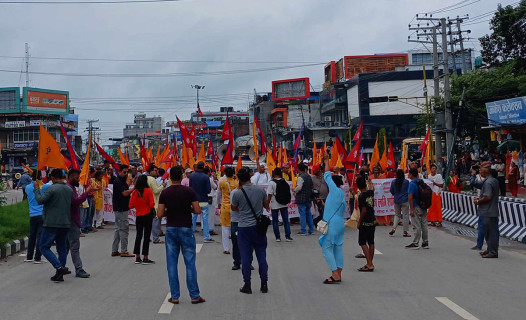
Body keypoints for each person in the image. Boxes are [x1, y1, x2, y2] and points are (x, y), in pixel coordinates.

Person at [157, 165, 205, 305]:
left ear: (170, 177)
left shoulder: (165, 193)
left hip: (171, 228)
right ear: (182, 175)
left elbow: (159, 214)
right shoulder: (189, 191)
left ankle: (175, 296)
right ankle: (195, 295)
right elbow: (197, 210)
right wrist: (186, 208)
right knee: (190, 263)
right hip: (186, 228)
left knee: (171, 264)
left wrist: (170, 211)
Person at [231, 167, 270, 294]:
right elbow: (266, 205)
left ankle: (247, 284)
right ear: (249, 176)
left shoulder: (237, 193)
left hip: (243, 227)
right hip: (258, 227)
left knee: (245, 257)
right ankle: (264, 284)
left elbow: (234, 208)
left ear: (239, 179)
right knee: (261, 256)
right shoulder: (260, 190)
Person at [33, 169, 73, 282]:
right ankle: (59, 273)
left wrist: (36, 189)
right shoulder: (69, 190)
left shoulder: (52, 189)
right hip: (65, 222)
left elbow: (40, 200)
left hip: (51, 222)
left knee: (43, 247)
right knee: (62, 248)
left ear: (53, 178)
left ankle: (59, 267)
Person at [318, 152, 346, 283]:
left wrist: (327, 160)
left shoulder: (334, 191)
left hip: (333, 224)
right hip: (340, 223)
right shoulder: (341, 194)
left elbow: (327, 175)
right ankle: (338, 272)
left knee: (327, 248)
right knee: (337, 247)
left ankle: (334, 273)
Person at [66, 169, 92, 278]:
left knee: (66, 246)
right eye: (77, 178)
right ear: (71, 177)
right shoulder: (69, 189)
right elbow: (75, 202)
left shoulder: (70, 188)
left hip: (70, 219)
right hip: (72, 220)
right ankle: (79, 268)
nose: (78, 180)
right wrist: (86, 192)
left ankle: (60, 266)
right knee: (74, 246)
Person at [474, 162, 500, 258]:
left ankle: (493, 252)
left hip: (488, 211)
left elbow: (488, 197)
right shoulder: (493, 180)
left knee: (490, 233)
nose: (479, 171)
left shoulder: (488, 182)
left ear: (486, 171)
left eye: (481, 170)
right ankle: (490, 249)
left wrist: (478, 201)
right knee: (489, 232)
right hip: (491, 211)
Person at [24, 170, 50, 263]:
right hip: (42, 214)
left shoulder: (27, 187)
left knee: (32, 236)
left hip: (32, 214)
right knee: (40, 236)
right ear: (41, 177)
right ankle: (37, 257)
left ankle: (29, 257)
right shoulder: (44, 187)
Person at [129, 174, 156, 264]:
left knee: (138, 236)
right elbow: (152, 204)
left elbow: (131, 205)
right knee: (146, 236)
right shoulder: (148, 191)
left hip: (138, 215)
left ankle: (137, 256)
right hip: (147, 215)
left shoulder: (135, 192)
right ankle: (145, 256)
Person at [111, 164, 135, 258]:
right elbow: (124, 193)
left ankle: (115, 250)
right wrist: (134, 189)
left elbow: (124, 189)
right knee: (124, 229)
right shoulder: (118, 181)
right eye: (124, 172)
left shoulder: (121, 181)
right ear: (119, 172)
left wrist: (130, 183)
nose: (126, 174)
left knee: (118, 229)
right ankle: (124, 251)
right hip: (121, 208)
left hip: (120, 208)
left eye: (127, 172)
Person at [189, 162, 213, 242]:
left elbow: (190, 188)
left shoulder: (192, 176)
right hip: (204, 200)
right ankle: (206, 236)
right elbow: (208, 190)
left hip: (194, 200)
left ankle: (191, 235)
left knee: (193, 218)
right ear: (203, 168)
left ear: (196, 167)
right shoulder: (206, 177)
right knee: (205, 219)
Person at [356, 176, 377, 272]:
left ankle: (370, 264)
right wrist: (370, 182)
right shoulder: (370, 193)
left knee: (362, 242)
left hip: (365, 222)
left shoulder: (361, 196)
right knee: (371, 241)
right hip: (372, 220)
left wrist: (359, 222)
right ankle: (369, 262)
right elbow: (372, 188)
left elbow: (363, 211)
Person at [405, 168, 429, 249]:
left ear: (411, 175)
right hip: (423, 206)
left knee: (417, 225)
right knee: (424, 224)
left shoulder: (412, 184)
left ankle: (415, 242)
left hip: (416, 206)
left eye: (409, 174)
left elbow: (410, 197)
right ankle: (425, 242)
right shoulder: (421, 181)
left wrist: (411, 209)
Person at [267, 167, 292, 242]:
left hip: (275, 204)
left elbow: (269, 194)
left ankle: (277, 237)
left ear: (274, 173)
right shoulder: (284, 182)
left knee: (275, 221)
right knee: (285, 220)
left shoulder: (272, 183)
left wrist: (267, 203)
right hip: (284, 204)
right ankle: (288, 236)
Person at [219, 167, 238, 255]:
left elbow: (219, 194)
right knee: (234, 227)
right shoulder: (236, 184)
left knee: (225, 228)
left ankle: (226, 248)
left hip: (224, 207)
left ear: (225, 173)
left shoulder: (222, 182)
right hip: (234, 207)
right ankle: (236, 245)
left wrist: (218, 204)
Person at [146, 165, 166, 244]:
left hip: (147, 202)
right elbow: (156, 191)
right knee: (155, 221)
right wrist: (162, 186)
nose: (157, 172)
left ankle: (147, 237)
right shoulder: (152, 179)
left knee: (148, 222)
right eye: (155, 170)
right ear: (150, 171)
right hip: (154, 202)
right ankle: (156, 238)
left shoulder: (146, 178)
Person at [389, 169, 411, 237]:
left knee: (397, 215)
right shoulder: (406, 182)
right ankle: (405, 232)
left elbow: (391, 191)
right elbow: (409, 190)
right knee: (405, 215)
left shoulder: (393, 182)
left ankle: (394, 228)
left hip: (396, 200)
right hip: (404, 200)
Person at [294, 163, 314, 235]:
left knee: (302, 214)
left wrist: (294, 189)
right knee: (308, 214)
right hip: (308, 197)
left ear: (298, 169)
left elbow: (299, 187)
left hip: (301, 198)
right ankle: (311, 230)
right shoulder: (308, 176)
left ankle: (303, 230)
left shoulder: (300, 177)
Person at [206, 167, 218, 236]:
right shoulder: (210, 179)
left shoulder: (201, 178)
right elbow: (215, 187)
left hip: (203, 197)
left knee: (204, 214)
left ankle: (204, 228)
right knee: (210, 214)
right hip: (210, 197)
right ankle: (210, 229)